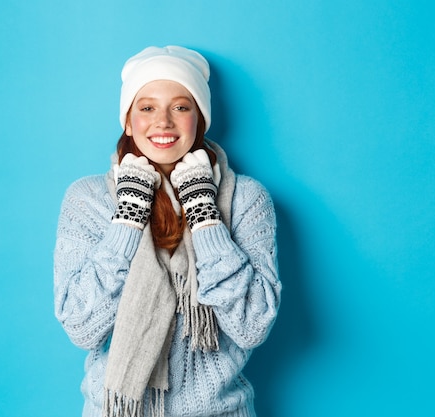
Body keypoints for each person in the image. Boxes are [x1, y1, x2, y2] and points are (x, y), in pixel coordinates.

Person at [54, 45, 281, 417]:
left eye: (180, 106)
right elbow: (81, 327)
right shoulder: (88, 199)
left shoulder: (246, 199)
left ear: (199, 119)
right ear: (127, 120)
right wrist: (127, 220)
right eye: (146, 108)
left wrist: (205, 216)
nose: (163, 122)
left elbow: (251, 326)